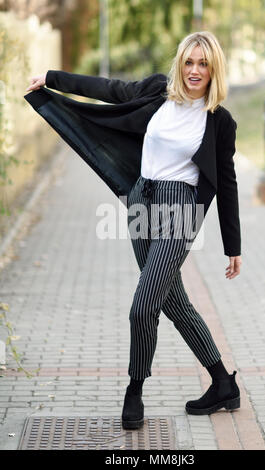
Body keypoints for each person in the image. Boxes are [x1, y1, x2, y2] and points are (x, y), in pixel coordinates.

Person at [25, 31, 242, 431]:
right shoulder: (159, 92)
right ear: (180, 63)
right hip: (141, 200)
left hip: (180, 211)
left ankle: (135, 388)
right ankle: (223, 383)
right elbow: (110, 89)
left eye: (203, 64)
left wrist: (234, 245)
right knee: (174, 303)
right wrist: (52, 78)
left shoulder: (219, 121)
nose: (195, 70)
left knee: (143, 306)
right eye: (189, 62)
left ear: (214, 70)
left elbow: (226, 183)